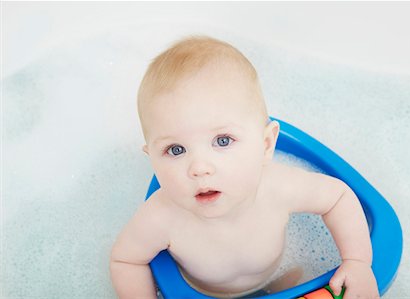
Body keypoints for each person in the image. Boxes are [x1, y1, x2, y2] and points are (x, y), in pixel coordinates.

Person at [110, 35, 379, 299]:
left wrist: (356, 262)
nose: (199, 168)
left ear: (265, 144)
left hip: (280, 277)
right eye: (175, 150)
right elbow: (126, 261)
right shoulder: (161, 216)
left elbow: (338, 197)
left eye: (222, 141)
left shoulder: (278, 187)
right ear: (151, 157)